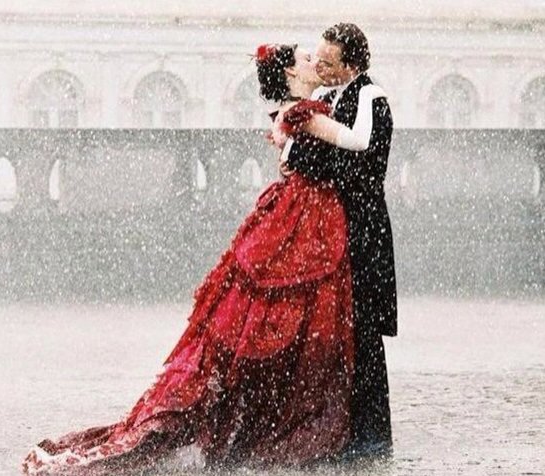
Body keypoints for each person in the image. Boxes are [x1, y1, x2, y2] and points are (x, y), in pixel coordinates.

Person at [21, 43, 386, 475]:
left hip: (301, 215)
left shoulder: (298, 109)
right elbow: (357, 142)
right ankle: (283, 413)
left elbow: (297, 149)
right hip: (306, 218)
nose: (315, 62)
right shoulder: (306, 111)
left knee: (275, 307)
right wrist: (368, 102)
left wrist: (290, 147)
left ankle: (255, 409)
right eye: (307, 59)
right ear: (290, 73)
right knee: (302, 309)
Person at [282, 23, 398, 459]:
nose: (320, 68)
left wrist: (307, 153)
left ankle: (371, 436)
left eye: (328, 63)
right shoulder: (329, 97)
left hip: (362, 230)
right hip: (333, 230)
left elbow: (359, 161)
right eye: (318, 59)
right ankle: (340, 430)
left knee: (363, 334)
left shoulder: (371, 99)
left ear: (352, 65)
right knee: (334, 332)